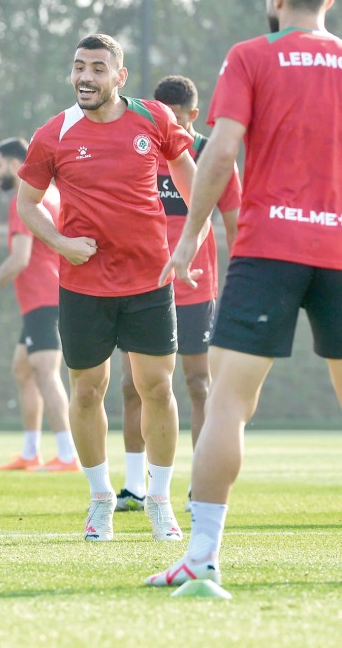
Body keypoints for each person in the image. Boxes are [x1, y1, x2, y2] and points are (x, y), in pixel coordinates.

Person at [148, 0, 342, 587]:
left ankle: (201, 559)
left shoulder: (250, 56)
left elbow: (221, 152)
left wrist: (188, 241)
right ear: (330, 1)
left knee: (230, 401)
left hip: (267, 250)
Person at [17, 33, 197, 543]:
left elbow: (192, 180)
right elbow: (28, 205)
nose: (85, 78)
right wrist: (60, 242)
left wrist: (188, 244)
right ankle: (100, 500)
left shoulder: (154, 118)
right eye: (79, 67)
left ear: (120, 77)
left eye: (97, 68)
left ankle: (159, 500)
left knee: (157, 388)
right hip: (83, 284)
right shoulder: (53, 134)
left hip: (148, 281)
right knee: (87, 390)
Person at [116, 77, 240, 512]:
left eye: (177, 117)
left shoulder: (211, 154)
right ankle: (134, 485)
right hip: (141, 282)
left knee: (198, 383)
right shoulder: (139, 142)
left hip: (194, 285)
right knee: (134, 385)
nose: (169, 123)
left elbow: (233, 222)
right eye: (162, 115)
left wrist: (239, 284)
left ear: (192, 113)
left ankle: (198, 485)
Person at [0, 138, 75, 473]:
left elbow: (20, 259)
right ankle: (31, 452)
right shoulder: (51, 193)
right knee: (23, 370)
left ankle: (68, 455)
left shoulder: (24, 200)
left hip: (45, 299)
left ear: (14, 165)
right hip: (43, 300)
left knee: (45, 373)